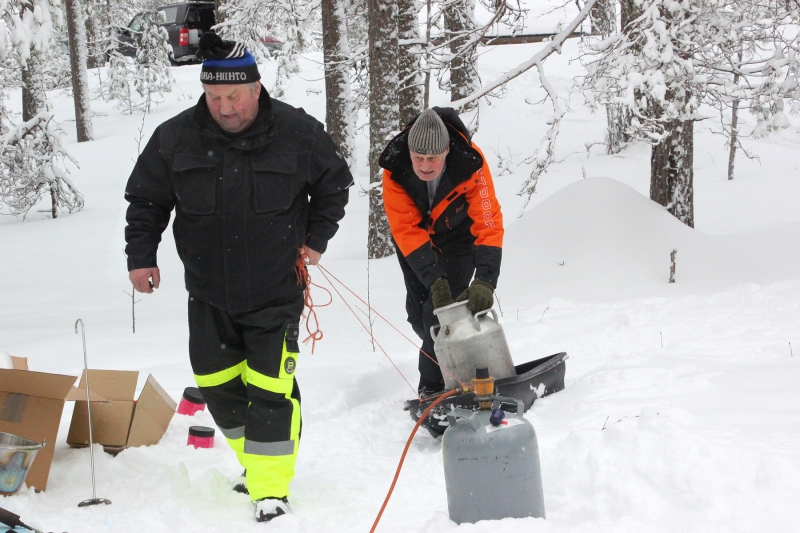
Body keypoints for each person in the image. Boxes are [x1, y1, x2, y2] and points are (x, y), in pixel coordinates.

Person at [123, 32, 352, 523]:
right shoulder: (176, 137)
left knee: (271, 389)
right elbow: (146, 201)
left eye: (233, 96)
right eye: (213, 97)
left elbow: (334, 184)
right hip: (208, 293)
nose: (224, 108)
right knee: (217, 385)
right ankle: (258, 462)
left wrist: (316, 238)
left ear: (255, 87)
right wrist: (141, 256)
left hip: (275, 292)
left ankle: (270, 489)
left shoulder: (297, 132)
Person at [379, 108, 503, 397]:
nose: (424, 165)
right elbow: (406, 229)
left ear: (446, 152)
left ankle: (433, 390)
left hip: (459, 239)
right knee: (420, 317)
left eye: (432, 158)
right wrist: (435, 281)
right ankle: (451, 360)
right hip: (417, 242)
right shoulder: (395, 169)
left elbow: (488, 221)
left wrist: (485, 279)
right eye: (418, 158)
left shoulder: (471, 163)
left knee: (439, 315)